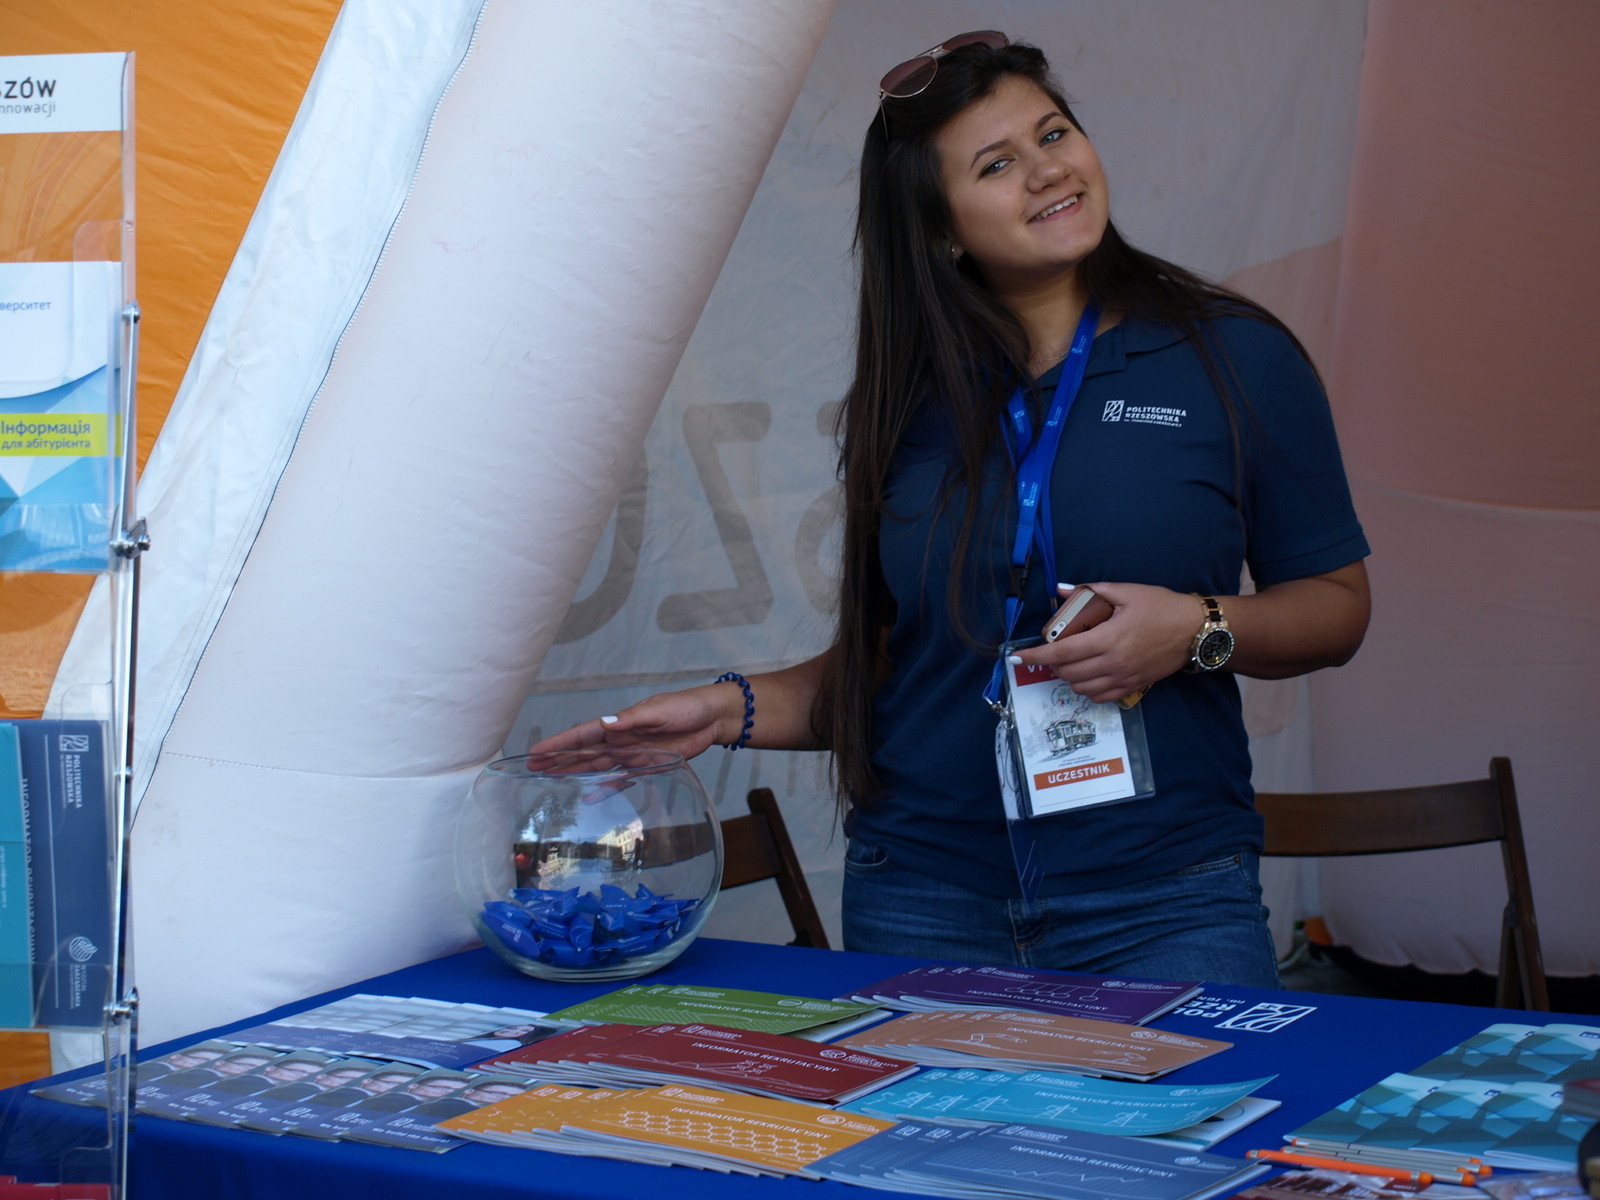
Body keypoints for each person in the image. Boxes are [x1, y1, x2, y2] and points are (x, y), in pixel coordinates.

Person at [535, 33, 1369, 988]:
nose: (1048, 170)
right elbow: (901, 667)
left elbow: (1337, 610)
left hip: (1167, 897)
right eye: (996, 164)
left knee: (1209, 1098)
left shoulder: (1233, 357)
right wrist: (727, 708)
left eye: (1053, 133)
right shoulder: (906, 397)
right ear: (941, 229)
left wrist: (1196, 630)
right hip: (920, 895)